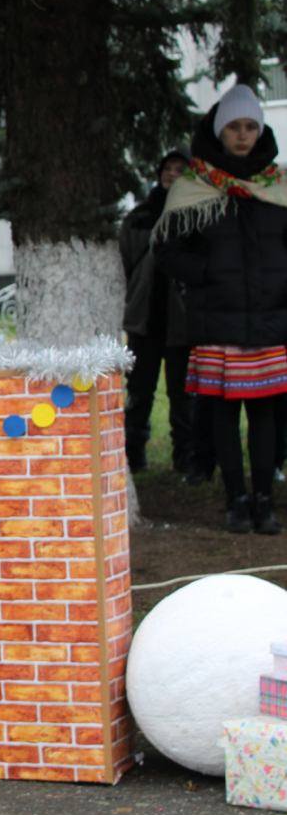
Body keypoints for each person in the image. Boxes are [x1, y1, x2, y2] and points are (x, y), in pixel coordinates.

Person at [154, 84, 287, 534]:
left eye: (250, 126)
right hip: (216, 320)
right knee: (223, 416)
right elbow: (167, 249)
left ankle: (265, 501)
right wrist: (206, 272)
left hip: (268, 321)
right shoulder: (194, 187)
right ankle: (236, 500)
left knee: (266, 416)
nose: (243, 135)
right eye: (234, 127)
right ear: (219, 131)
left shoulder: (277, 186)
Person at [119, 149, 192, 473]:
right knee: (138, 392)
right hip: (144, 320)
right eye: (168, 168)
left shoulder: (197, 214)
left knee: (183, 395)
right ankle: (133, 455)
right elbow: (124, 262)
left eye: (180, 169)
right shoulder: (139, 217)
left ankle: (185, 458)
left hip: (183, 323)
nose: (172, 174)